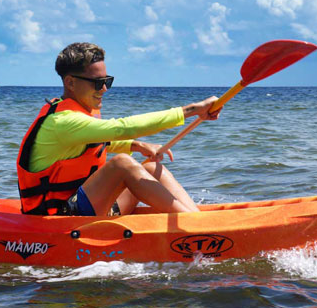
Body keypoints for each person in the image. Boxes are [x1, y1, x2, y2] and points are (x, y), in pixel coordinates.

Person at [17, 42, 219, 216]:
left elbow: (93, 144)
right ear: (70, 82)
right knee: (122, 163)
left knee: (150, 167)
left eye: (107, 81)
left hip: (89, 206)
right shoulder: (62, 121)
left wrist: (136, 145)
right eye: (97, 83)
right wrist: (192, 110)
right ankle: (196, 226)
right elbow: (123, 128)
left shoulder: (79, 118)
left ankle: (193, 218)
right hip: (58, 216)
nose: (104, 89)